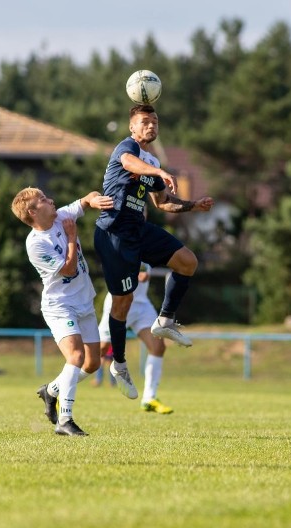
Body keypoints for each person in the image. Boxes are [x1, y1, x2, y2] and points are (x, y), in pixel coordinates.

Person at [94, 103, 214, 390]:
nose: (151, 126)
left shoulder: (152, 164)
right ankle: (119, 364)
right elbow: (128, 164)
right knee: (122, 303)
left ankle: (166, 319)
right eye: (145, 121)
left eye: (155, 121)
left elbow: (163, 203)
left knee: (188, 261)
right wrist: (158, 173)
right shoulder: (127, 148)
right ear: (132, 127)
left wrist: (193, 205)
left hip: (138, 229)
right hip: (114, 232)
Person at [11, 186, 118, 436]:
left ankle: (51, 391)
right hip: (60, 306)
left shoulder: (60, 216)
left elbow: (86, 198)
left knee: (92, 364)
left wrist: (96, 200)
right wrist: (71, 237)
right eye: (43, 200)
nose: (51, 200)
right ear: (33, 211)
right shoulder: (36, 244)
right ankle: (65, 420)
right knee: (76, 357)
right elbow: (68, 270)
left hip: (84, 301)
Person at [97, 262, 173, 414]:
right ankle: (60, 386)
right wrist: (136, 275)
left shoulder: (147, 240)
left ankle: (149, 398)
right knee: (96, 353)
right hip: (119, 301)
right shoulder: (120, 241)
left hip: (141, 304)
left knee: (158, 347)